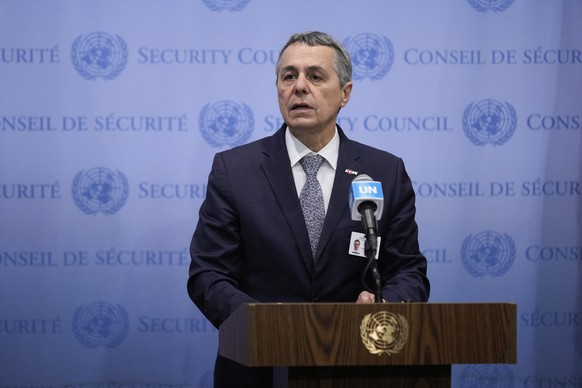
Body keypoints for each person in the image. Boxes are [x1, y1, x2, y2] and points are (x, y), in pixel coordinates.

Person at [187, 31, 430, 388]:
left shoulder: (383, 171)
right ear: (278, 90)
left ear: (345, 94)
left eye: (315, 76)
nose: (300, 87)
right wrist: (262, 323)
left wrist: (385, 303)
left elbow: (409, 269)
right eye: (289, 76)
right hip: (258, 369)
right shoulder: (234, 171)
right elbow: (207, 275)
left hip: (357, 367)